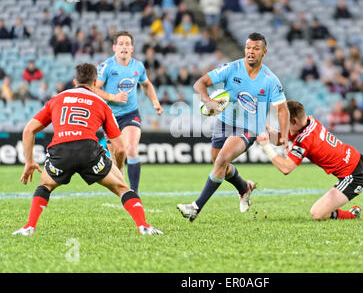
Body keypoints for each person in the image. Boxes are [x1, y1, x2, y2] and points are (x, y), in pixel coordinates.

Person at [13, 63, 162, 236]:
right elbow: (120, 149)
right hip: (88, 151)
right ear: (95, 82)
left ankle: (29, 227)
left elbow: (28, 130)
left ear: (75, 81)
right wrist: (119, 168)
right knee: (122, 188)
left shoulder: (57, 99)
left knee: (45, 186)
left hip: (61, 150)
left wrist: (29, 161)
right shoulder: (102, 104)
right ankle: (143, 226)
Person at [177, 32, 290, 222]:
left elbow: (283, 109)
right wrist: (208, 101)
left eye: (256, 48)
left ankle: (195, 207)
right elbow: (200, 84)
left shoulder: (270, 80)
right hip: (224, 124)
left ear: (264, 52)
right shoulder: (232, 68)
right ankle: (244, 188)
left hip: (249, 128)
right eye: (248, 48)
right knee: (220, 165)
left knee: (222, 160)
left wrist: (284, 136)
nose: (251, 52)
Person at [95, 31, 163, 194]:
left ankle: (133, 193)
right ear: (114, 47)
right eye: (121, 43)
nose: (124, 47)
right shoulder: (106, 66)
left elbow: (146, 85)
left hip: (130, 113)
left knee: (130, 149)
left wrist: (155, 102)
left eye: (127, 44)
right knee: (118, 153)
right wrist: (113, 97)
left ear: (132, 48)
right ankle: (120, 174)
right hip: (110, 116)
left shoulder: (138, 66)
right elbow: (94, 89)